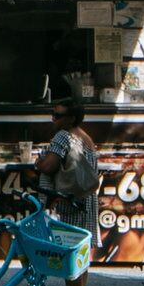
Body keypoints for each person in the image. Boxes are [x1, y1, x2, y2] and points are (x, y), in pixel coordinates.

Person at [36, 101, 103, 236]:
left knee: (61, 244)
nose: (53, 119)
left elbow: (48, 166)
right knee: (81, 246)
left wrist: (39, 162)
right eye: (52, 114)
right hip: (85, 203)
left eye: (58, 116)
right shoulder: (86, 138)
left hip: (67, 204)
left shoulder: (63, 136)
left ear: (71, 119)